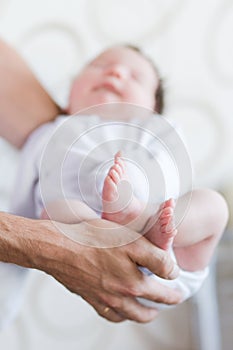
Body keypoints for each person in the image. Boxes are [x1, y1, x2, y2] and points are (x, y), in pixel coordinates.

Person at [10, 46, 228, 311]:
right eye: (100, 65)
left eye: (135, 77)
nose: (115, 72)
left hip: (168, 254)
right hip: (89, 238)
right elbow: (23, 202)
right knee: (53, 212)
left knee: (213, 205)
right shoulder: (50, 133)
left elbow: (176, 180)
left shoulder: (157, 132)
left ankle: (142, 219)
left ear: (152, 108)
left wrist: (154, 216)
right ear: (69, 96)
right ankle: (117, 226)